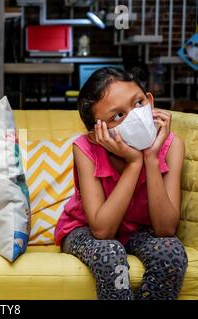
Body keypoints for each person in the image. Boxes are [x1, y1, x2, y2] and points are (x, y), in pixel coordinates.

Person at [54, 67, 188, 300]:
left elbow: (165, 229)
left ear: (150, 100)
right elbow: (102, 231)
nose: (134, 116)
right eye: (117, 116)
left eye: (138, 103)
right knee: (110, 252)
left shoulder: (171, 146)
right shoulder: (86, 149)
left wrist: (150, 158)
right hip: (84, 230)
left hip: (139, 230)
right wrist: (134, 163)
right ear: (97, 133)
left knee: (171, 251)